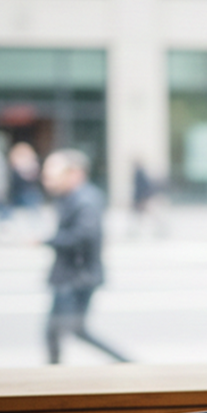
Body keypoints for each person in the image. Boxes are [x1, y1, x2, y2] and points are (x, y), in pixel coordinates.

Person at [42, 148, 130, 364]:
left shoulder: (85, 199)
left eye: (55, 171)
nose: (48, 178)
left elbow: (83, 237)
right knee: (65, 330)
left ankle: (127, 364)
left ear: (75, 173)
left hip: (77, 278)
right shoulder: (71, 197)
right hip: (73, 276)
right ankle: (53, 375)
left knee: (63, 330)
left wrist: (47, 240)